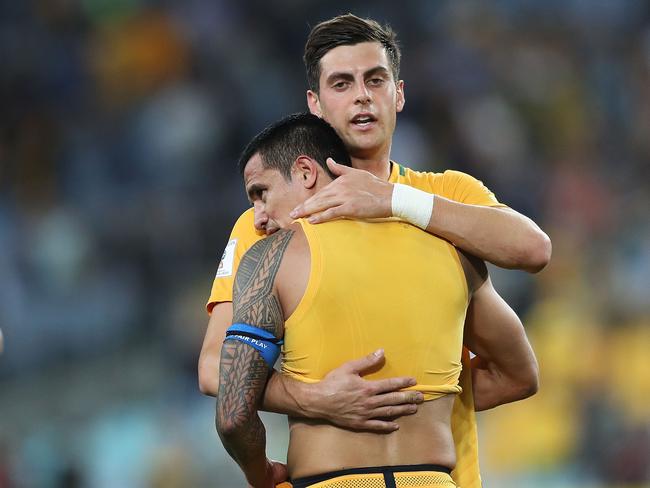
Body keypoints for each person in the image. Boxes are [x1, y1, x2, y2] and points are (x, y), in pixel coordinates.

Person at [200, 14, 551, 487]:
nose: (362, 95)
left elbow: (533, 249)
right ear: (316, 104)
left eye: (375, 80)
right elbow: (212, 369)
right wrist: (317, 399)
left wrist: (391, 200)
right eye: (341, 84)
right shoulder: (265, 222)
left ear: (398, 94)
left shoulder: (445, 195)